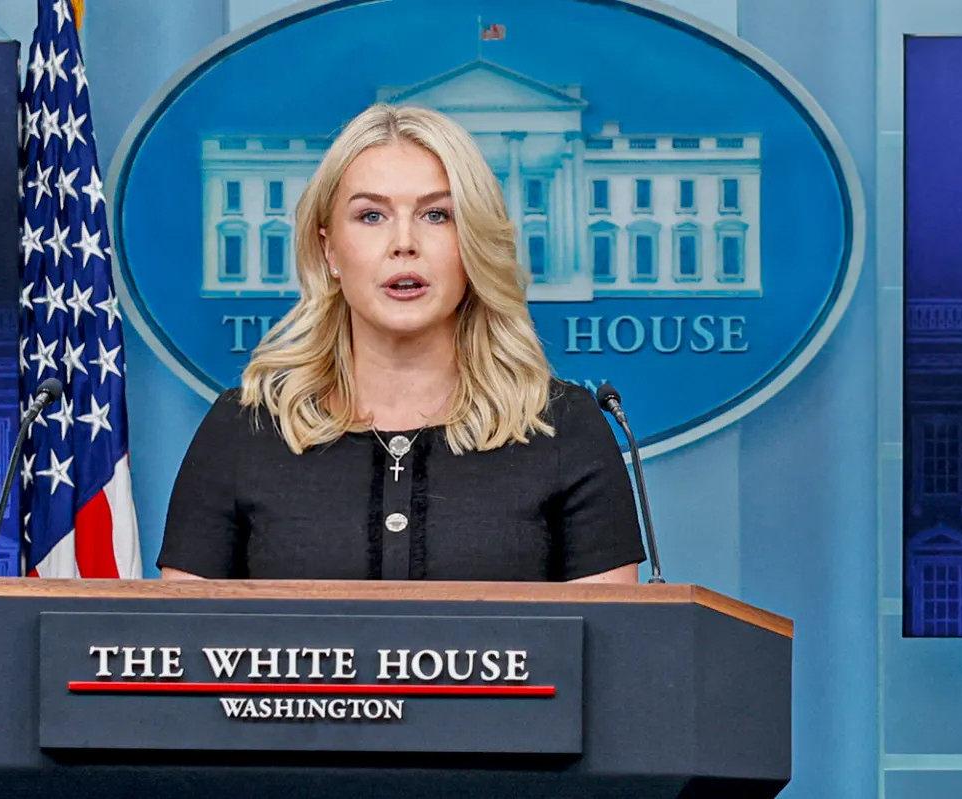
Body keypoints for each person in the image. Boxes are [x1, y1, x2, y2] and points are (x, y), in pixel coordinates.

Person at [158, 103, 645, 583]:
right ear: (329, 250)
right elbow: (179, 630)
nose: (404, 242)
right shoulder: (243, 428)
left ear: (473, 243)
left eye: (436, 215)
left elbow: (611, 633)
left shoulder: (563, 428)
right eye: (371, 216)